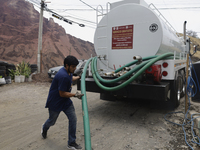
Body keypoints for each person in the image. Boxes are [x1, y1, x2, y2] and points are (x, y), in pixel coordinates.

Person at [41, 55, 84, 150]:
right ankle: (44, 128)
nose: (75, 68)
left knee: (73, 119)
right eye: (73, 67)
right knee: (52, 121)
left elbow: (71, 78)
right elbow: (62, 93)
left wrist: (79, 76)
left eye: (75, 66)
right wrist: (75, 95)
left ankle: (71, 143)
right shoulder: (63, 76)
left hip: (66, 102)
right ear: (67, 65)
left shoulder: (68, 72)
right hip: (55, 102)